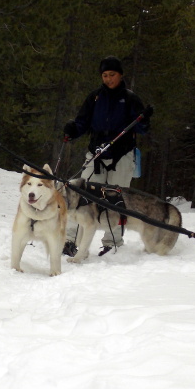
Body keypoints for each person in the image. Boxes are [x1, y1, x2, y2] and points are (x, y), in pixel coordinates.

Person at [63, 56, 150, 257]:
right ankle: (69, 240)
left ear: (120, 75)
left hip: (122, 156)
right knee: (82, 195)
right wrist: (72, 130)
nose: (108, 79)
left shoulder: (130, 98)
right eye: (105, 75)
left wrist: (144, 120)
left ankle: (112, 243)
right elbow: (82, 123)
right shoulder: (95, 98)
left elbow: (142, 128)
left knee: (116, 199)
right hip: (96, 155)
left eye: (112, 75)